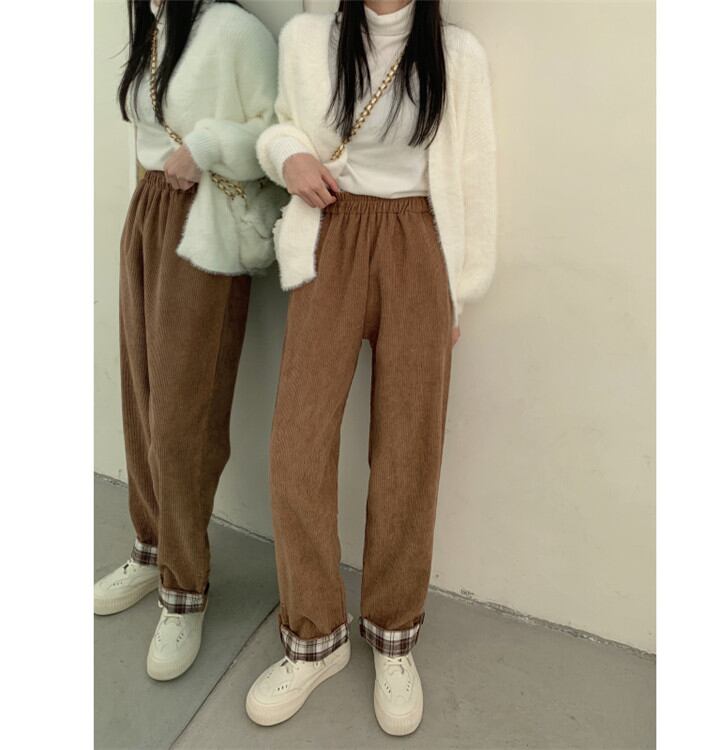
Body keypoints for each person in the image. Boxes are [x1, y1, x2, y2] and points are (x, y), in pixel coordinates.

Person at [246, 0, 497, 735]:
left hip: (421, 244)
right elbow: (280, 126)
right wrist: (288, 157)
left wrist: (457, 292)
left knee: (408, 454)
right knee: (297, 446)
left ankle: (392, 636)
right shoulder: (307, 38)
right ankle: (314, 638)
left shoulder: (456, 54)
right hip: (333, 233)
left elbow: (474, 176)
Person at [94, 0, 281, 681]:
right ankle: (151, 548)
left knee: (184, 418)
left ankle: (185, 588)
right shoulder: (149, 28)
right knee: (142, 395)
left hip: (207, 227)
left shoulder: (234, 30)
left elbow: (277, 136)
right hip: (147, 212)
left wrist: (203, 148)